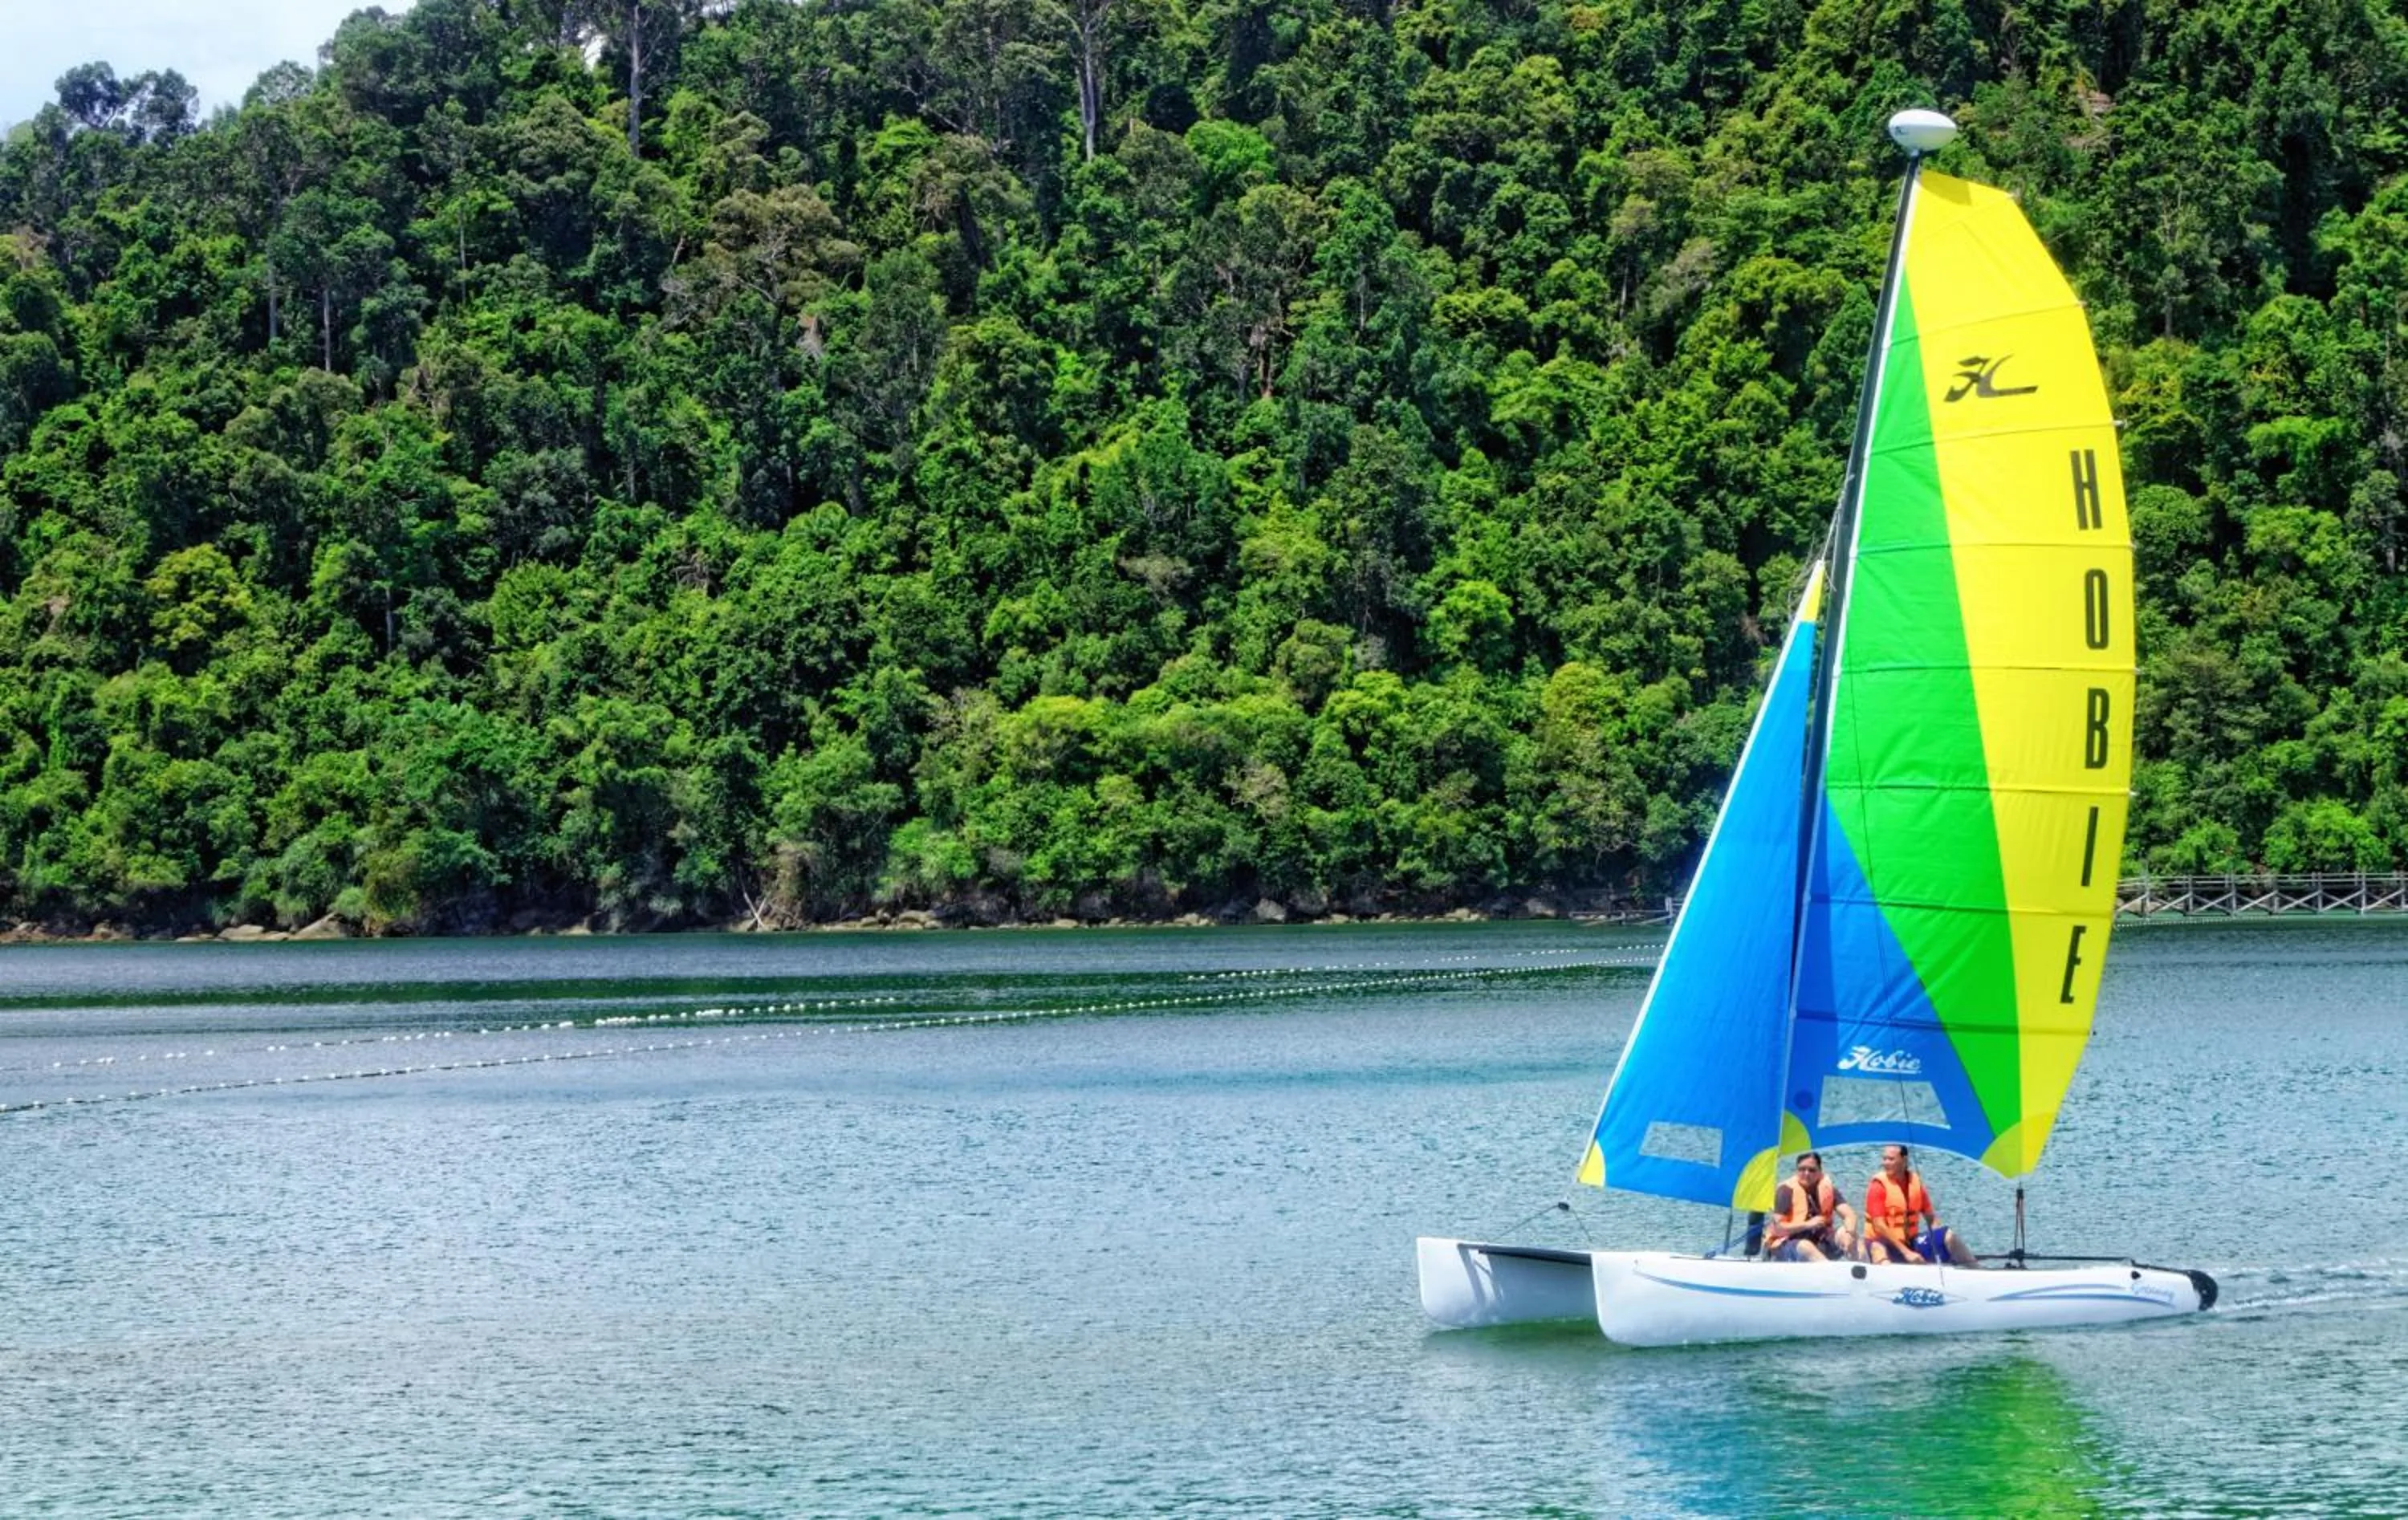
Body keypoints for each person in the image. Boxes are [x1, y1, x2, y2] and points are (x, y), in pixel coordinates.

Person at [1862, 1144, 1975, 1265]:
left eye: (1891, 1159)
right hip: (1883, 1243)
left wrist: (1936, 1245)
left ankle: (1974, 1270)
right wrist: (1907, 1253)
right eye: (1884, 1159)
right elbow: (1879, 1225)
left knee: (1948, 1235)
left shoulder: (1915, 1183)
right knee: (1877, 1249)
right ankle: (1887, 1277)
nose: (1885, 1163)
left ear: (1904, 1160)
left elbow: (1931, 1219)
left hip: (1910, 1242)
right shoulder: (1878, 1186)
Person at [1764, 1152, 1857, 1262]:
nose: (1806, 1173)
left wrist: (1850, 1233)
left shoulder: (1827, 1189)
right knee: (1806, 1246)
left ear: (1820, 1171)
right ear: (1796, 1171)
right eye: (1802, 1169)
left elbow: (1849, 1215)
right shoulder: (1785, 1191)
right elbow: (1778, 1229)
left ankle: (1864, 1273)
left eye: (1812, 1170)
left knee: (1849, 1235)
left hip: (1820, 1241)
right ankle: (1831, 1274)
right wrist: (1807, 1225)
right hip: (1788, 1245)